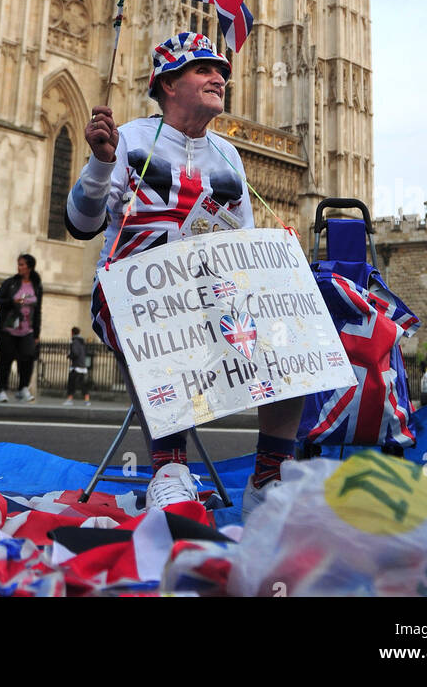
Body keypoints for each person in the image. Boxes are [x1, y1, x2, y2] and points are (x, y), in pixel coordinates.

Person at [65, 31, 304, 514]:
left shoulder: (228, 157)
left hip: (211, 295)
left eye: (223, 72)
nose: (220, 77)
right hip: (133, 293)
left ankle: (269, 474)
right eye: (204, 69)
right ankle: (170, 469)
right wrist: (100, 163)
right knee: (160, 314)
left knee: (297, 327)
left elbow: (242, 244)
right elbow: (80, 224)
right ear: (168, 84)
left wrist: (276, 257)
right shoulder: (130, 138)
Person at [0, 254, 42, 403]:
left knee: (28, 357)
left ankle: (23, 388)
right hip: (8, 327)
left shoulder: (36, 286)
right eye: (18, 264)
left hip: (27, 329)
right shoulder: (11, 282)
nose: (19, 267)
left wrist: (37, 332)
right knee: (6, 358)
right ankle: (1, 390)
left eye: (22, 264)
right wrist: (12, 301)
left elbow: (38, 310)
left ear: (29, 267)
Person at [64, 325, 91, 406]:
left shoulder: (75, 341)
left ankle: (69, 399)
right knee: (83, 384)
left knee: (71, 384)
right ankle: (87, 400)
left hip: (76, 367)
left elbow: (75, 353)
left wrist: (69, 355)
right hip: (82, 366)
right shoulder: (82, 342)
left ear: (72, 332)